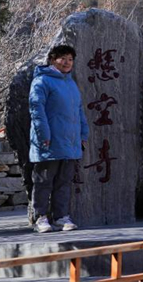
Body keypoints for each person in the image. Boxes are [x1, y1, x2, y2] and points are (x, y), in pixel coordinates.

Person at [28, 45, 89, 233]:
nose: (67, 62)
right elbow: (36, 110)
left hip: (69, 142)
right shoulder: (41, 81)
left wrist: (83, 134)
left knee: (63, 182)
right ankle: (40, 217)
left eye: (70, 59)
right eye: (63, 58)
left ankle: (61, 217)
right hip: (49, 141)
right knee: (44, 182)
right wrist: (44, 135)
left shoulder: (70, 83)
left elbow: (79, 111)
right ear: (52, 60)